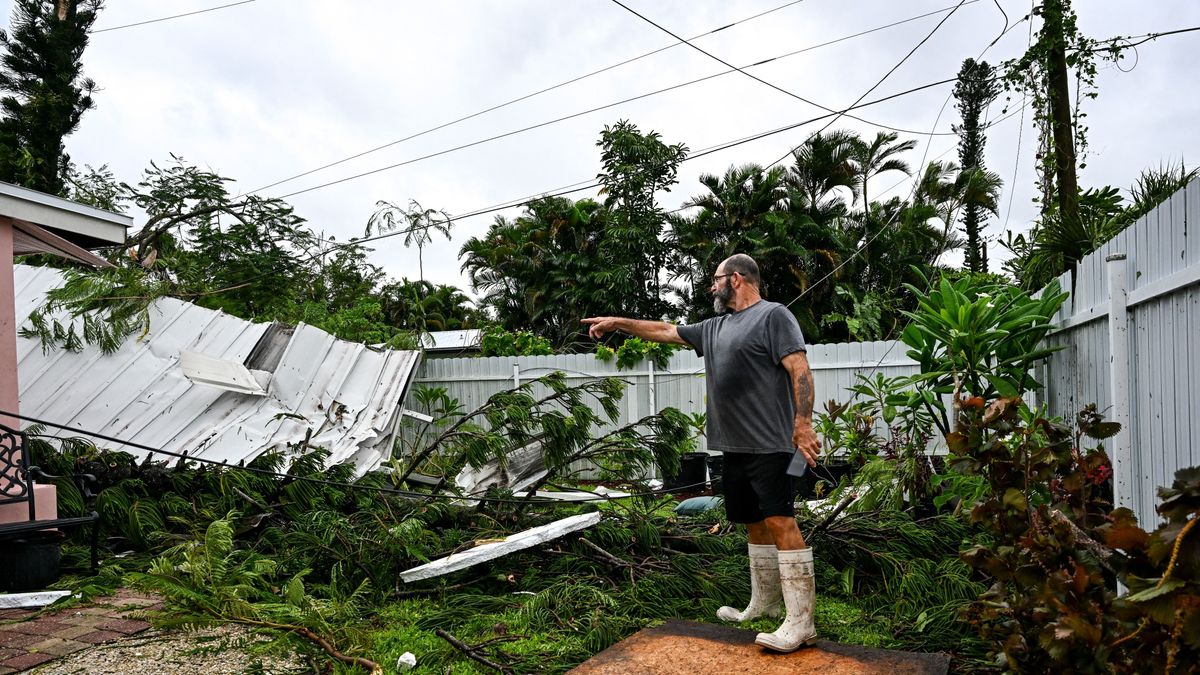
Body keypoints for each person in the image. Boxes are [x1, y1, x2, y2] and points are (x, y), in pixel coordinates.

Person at [582, 253, 820, 652]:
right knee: (753, 522)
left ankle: (801, 622)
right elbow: (663, 330)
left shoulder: (773, 316)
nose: (711, 286)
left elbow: (800, 369)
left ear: (738, 279)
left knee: (781, 521)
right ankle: (762, 604)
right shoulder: (714, 327)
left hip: (771, 444)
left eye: (716, 279)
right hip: (734, 446)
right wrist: (619, 322)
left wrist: (804, 423)